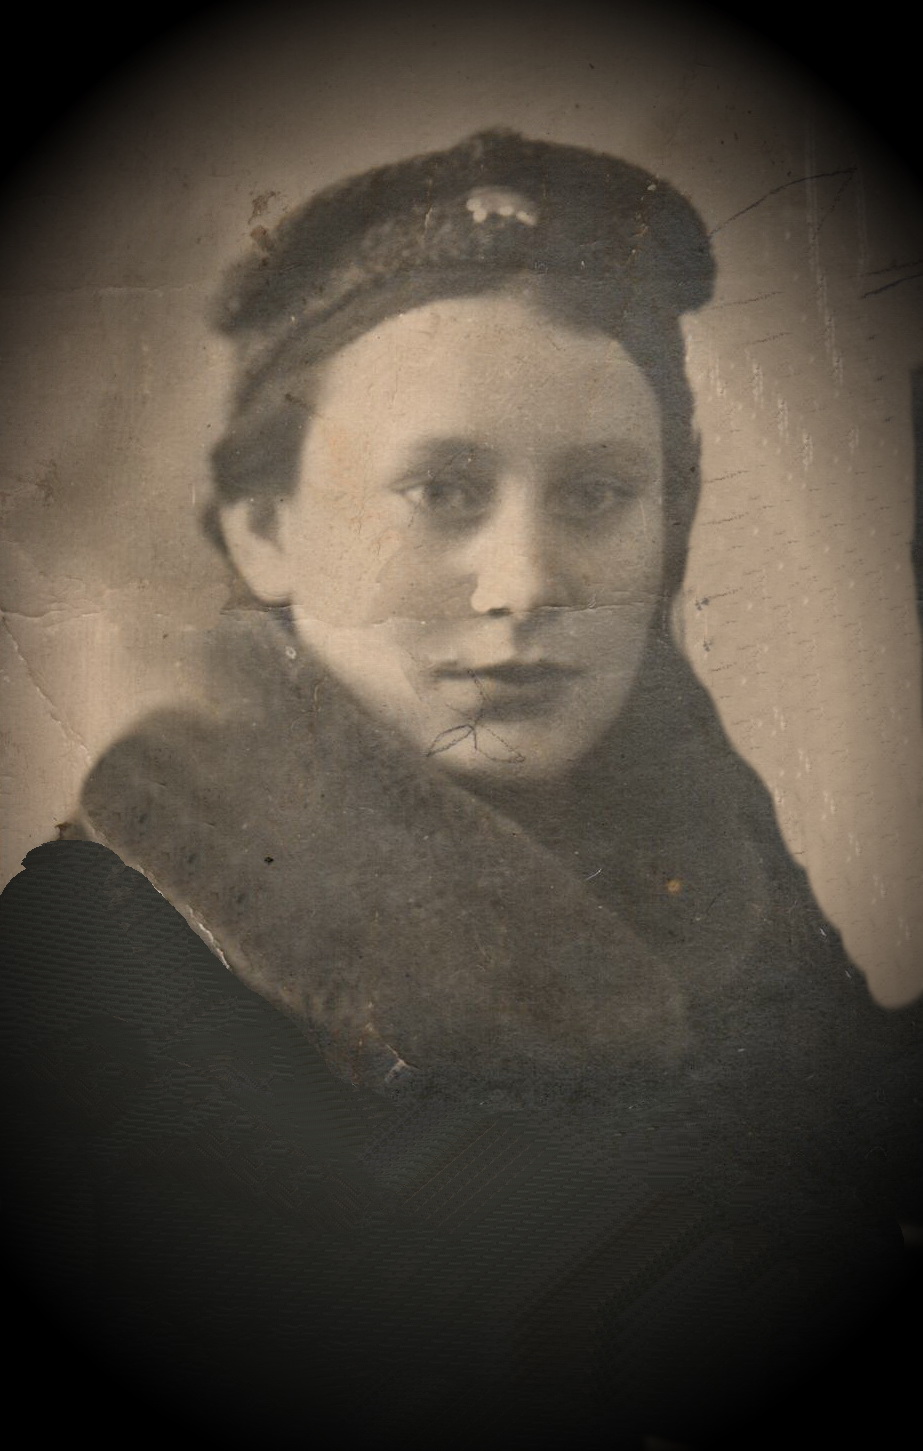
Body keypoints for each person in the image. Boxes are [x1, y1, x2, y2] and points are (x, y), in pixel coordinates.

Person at [2, 130, 921, 1448]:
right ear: (264, 532)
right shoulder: (102, 951)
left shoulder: (700, 820)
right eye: (442, 491)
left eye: (597, 494)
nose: (525, 584)